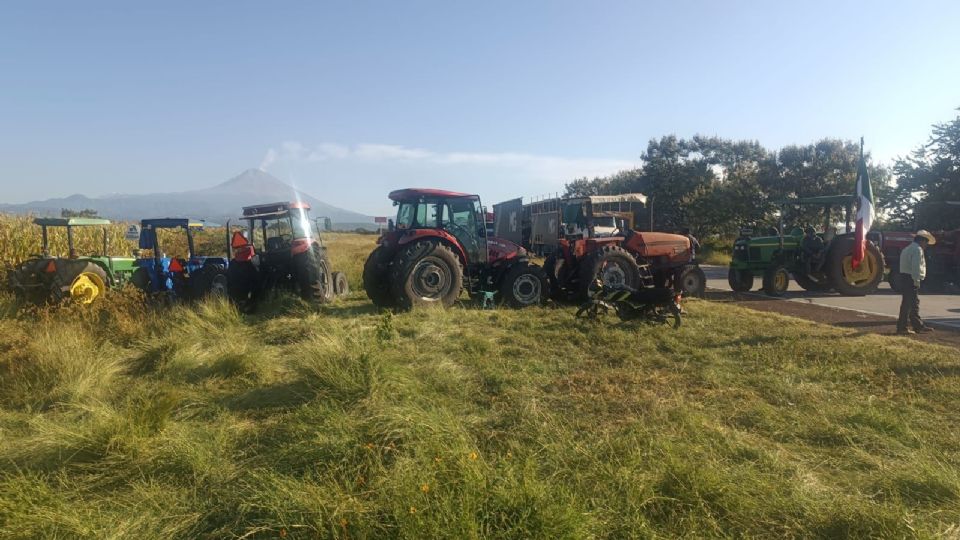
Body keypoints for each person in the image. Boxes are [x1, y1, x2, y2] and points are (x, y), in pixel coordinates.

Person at [897, 230, 936, 335]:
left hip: (904, 277)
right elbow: (916, 267)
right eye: (926, 242)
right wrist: (916, 281)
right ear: (922, 241)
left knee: (910, 303)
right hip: (911, 278)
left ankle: (916, 325)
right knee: (911, 304)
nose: (926, 245)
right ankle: (904, 328)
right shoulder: (917, 250)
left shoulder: (907, 248)